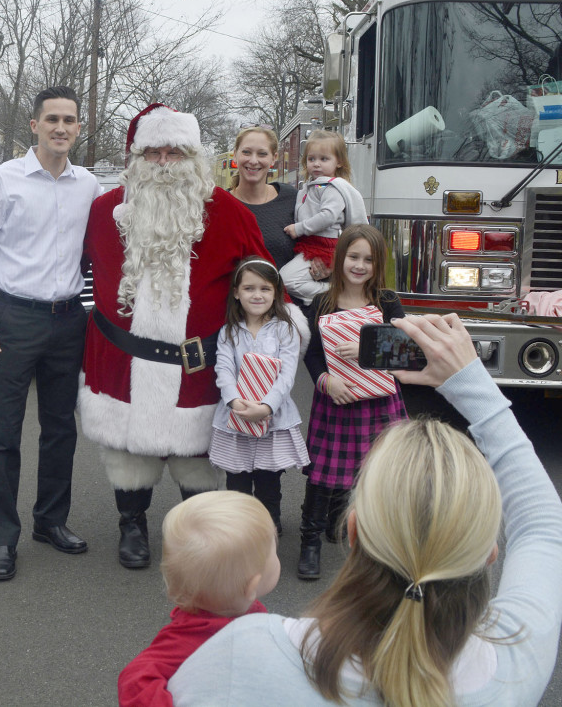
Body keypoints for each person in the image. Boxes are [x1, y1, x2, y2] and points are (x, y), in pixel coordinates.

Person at [169, 312, 562, 707]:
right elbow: (543, 526)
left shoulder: (247, 654)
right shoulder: (515, 657)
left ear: (352, 532)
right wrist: (472, 385)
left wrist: (466, 381)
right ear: (489, 557)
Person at [79, 104, 303, 570]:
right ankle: (132, 526)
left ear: (194, 156)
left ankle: (195, 531)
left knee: (197, 458)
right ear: (137, 157)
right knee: (127, 454)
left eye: (175, 152)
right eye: (154, 152)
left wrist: (279, 333)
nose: (164, 162)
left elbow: (263, 280)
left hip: (198, 365)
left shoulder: (228, 213)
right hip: (122, 362)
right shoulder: (103, 212)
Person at [0, 86, 101, 581]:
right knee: (2, 433)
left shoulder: (89, 187)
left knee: (61, 429)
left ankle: (50, 521)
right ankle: (2, 537)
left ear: (80, 128)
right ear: (34, 125)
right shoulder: (2, 181)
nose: (62, 127)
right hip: (13, 319)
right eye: (52, 119)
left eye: (71, 120)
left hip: (68, 320)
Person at [297, 225, 408, 580]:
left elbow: (405, 352)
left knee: (370, 468)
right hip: (336, 398)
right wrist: (325, 380)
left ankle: (349, 525)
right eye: (353, 257)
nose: (359, 265)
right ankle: (310, 540)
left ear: (379, 265)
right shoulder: (321, 303)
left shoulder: (387, 302)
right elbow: (313, 355)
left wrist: (367, 349)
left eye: (369, 260)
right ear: (340, 257)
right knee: (324, 471)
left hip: (378, 400)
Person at [117, 492, 278, 707]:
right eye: (274, 552)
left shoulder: (248, 611)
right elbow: (135, 678)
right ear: (252, 586)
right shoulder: (188, 637)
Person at [210, 258, 310, 536]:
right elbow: (224, 368)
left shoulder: (285, 330)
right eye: (249, 288)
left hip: (273, 418)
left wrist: (266, 407)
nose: (257, 295)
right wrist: (234, 401)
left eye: (265, 289)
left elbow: (287, 375)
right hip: (237, 414)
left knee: (268, 481)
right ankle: (239, 528)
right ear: (236, 292)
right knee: (237, 480)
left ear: (276, 293)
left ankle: (268, 526)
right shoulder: (229, 331)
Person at [280, 130, 368, 305]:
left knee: (286, 280)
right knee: (285, 279)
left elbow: (328, 216)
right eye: (311, 159)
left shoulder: (332, 187)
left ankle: (337, 293)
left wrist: (299, 228)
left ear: (339, 161)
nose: (316, 164)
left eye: (324, 159)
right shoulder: (311, 187)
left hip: (324, 246)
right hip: (311, 244)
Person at [228, 126, 298, 269]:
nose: (253, 161)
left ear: (274, 158)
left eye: (262, 154)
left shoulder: (292, 199)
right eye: (246, 152)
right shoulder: (220, 205)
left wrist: (322, 262)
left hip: (286, 290)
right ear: (235, 155)